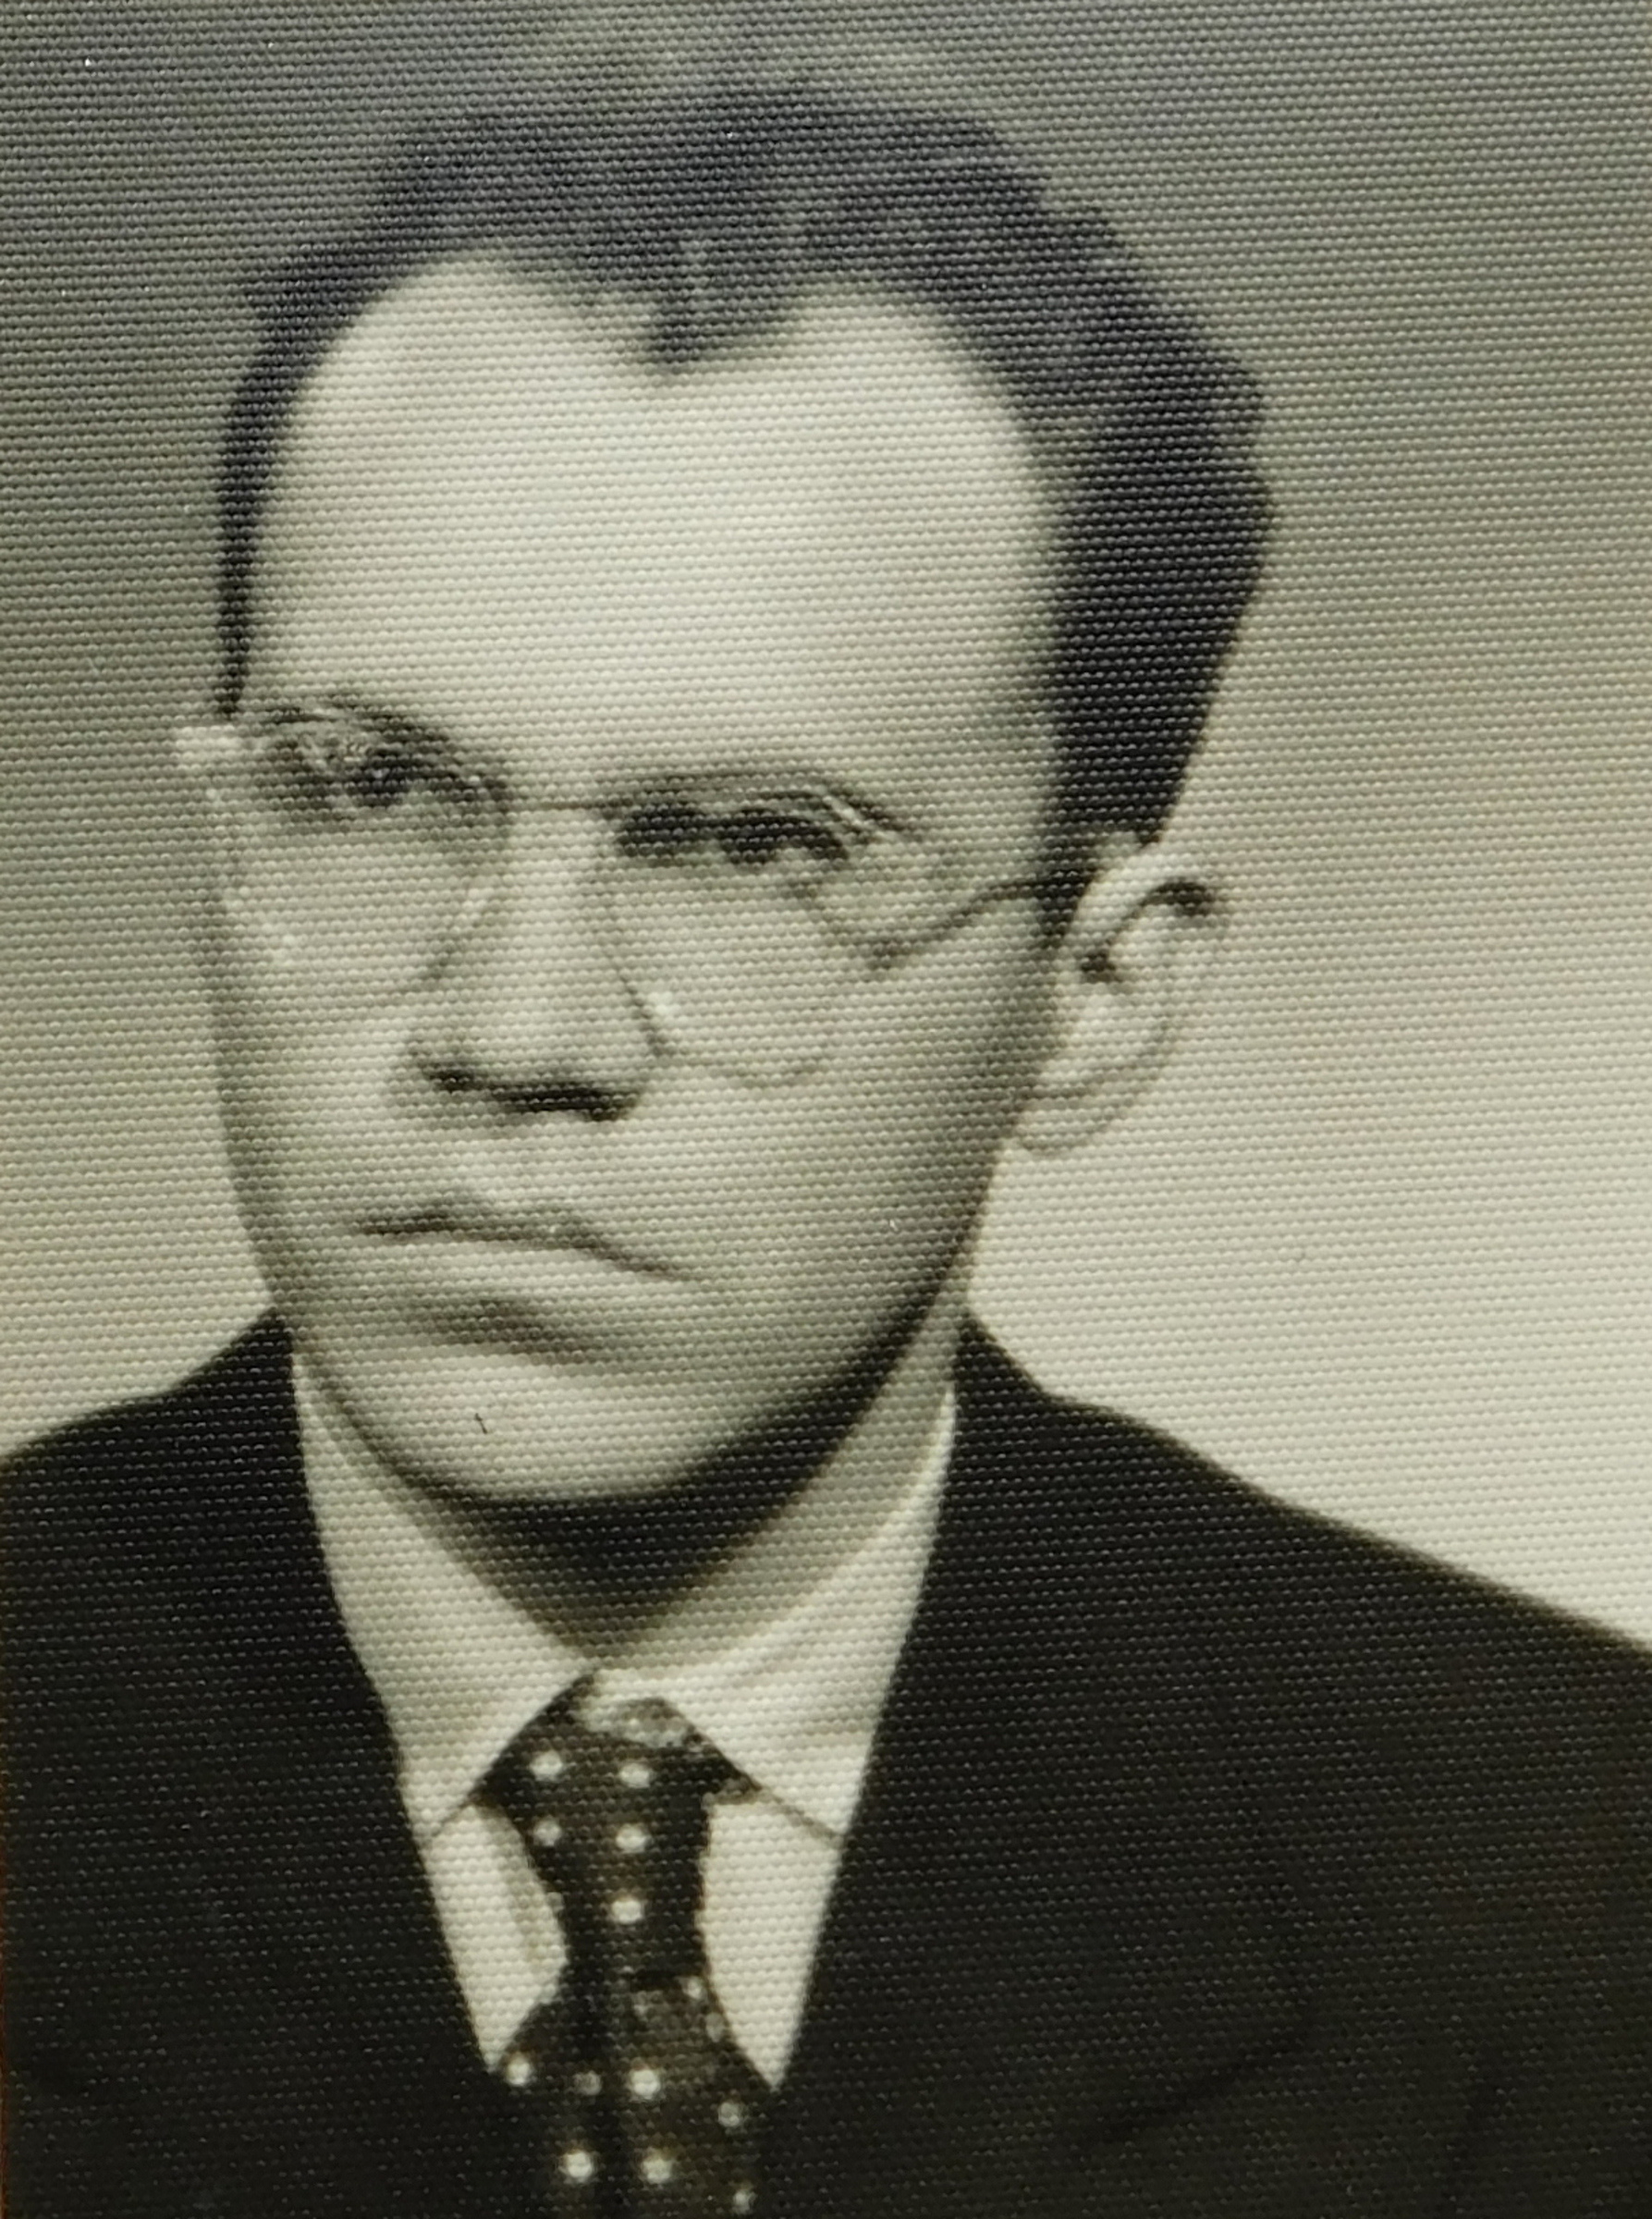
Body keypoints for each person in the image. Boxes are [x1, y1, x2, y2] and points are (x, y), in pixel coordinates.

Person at [6, 67, 1652, 2219]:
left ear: (1094, 999)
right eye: (372, 790)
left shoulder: (1572, 1883)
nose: (516, 1034)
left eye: (749, 845)